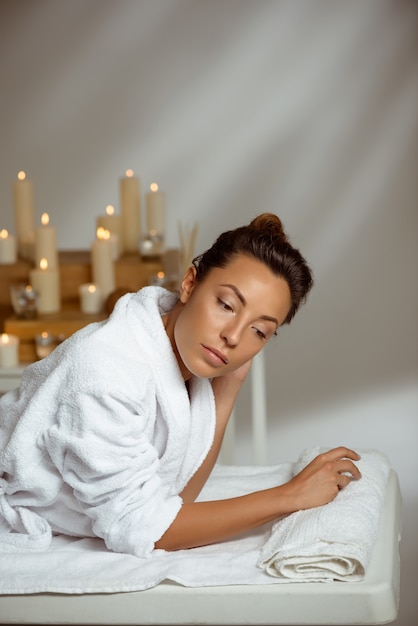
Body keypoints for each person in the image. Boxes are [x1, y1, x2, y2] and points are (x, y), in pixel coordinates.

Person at [0, 213, 361, 557]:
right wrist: (289, 496)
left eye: (259, 330)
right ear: (189, 283)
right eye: (226, 304)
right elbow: (146, 528)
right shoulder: (107, 370)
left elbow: (177, 497)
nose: (233, 336)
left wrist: (230, 386)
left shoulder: (186, 366)